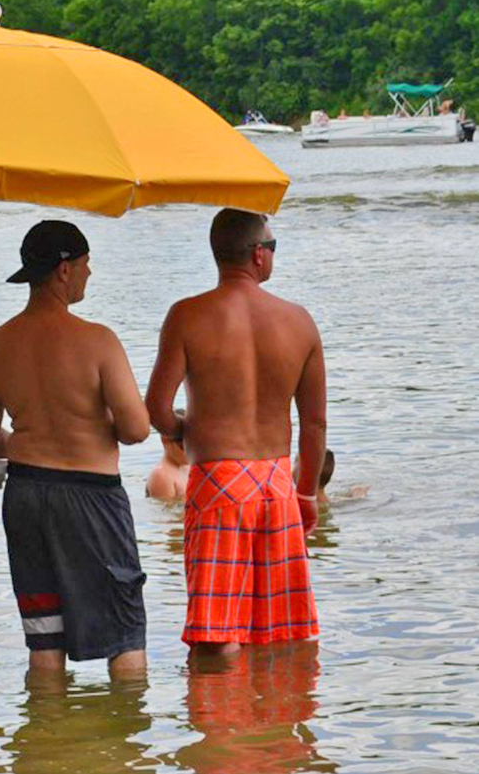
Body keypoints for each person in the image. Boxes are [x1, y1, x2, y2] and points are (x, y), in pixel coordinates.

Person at [0, 220, 150, 678]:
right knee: (123, 633)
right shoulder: (97, 341)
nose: (90, 274)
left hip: (27, 495)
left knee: (44, 639)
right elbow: (135, 429)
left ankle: (47, 741)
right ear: (65, 270)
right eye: (87, 265)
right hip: (91, 497)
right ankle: (127, 741)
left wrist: (31, 438)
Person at [146, 209, 325, 655]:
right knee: (282, 635)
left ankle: (218, 721)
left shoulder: (186, 316)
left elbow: (156, 408)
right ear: (259, 255)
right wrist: (305, 494)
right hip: (278, 485)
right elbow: (314, 425)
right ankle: (279, 720)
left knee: (216, 638)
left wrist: (185, 434)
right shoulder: (299, 321)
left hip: (219, 482)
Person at [145, 420, 190, 501]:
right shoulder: (162, 476)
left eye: (193, 445)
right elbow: (165, 512)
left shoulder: (188, 467)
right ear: (165, 440)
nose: (190, 452)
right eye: (183, 447)